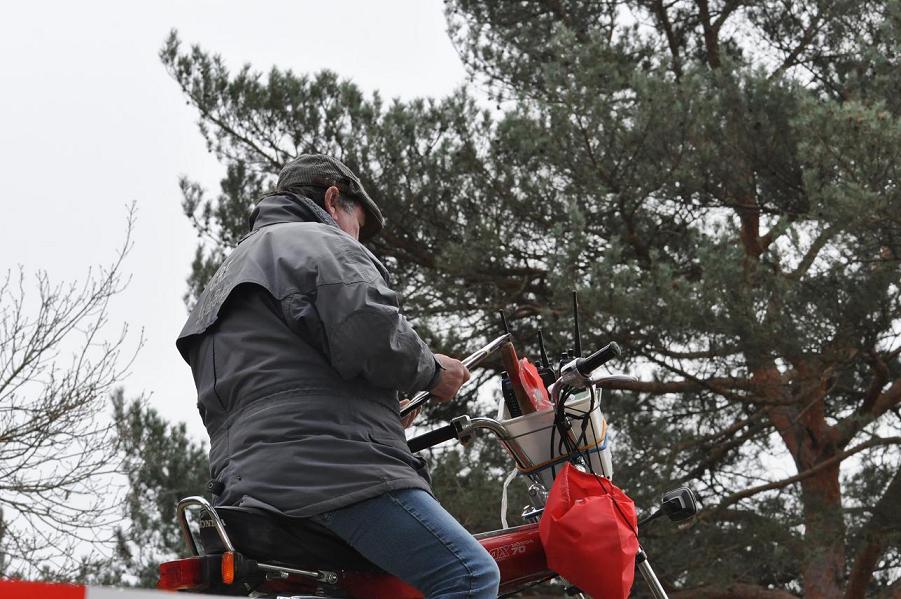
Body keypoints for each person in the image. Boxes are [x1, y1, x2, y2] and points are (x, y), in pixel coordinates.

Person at [176, 154, 501, 599]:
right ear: (333, 199)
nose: (357, 238)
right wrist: (431, 371)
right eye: (357, 224)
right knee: (468, 575)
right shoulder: (319, 242)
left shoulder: (223, 279)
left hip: (247, 487)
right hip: (331, 473)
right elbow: (371, 335)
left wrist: (378, 409)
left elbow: (269, 384)